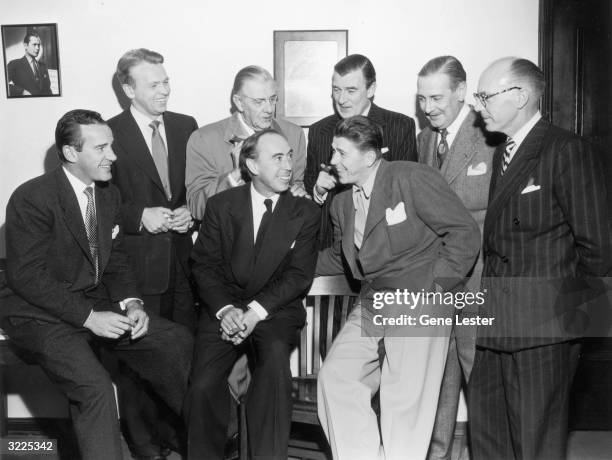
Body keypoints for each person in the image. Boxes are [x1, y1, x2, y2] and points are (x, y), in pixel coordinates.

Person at [0, 109, 192, 460]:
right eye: (101, 148)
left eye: (112, 147)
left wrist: (133, 303)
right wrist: (89, 317)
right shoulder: (32, 198)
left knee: (175, 341)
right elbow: (27, 277)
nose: (113, 157)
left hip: (93, 304)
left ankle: (210, 444)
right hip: (38, 312)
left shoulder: (107, 195)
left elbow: (115, 260)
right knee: (97, 389)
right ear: (72, 153)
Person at [468, 57, 612, 460]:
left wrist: (569, 320)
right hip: (495, 321)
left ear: (521, 96)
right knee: (489, 435)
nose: (478, 105)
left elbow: (599, 249)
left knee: (536, 443)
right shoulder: (503, 154)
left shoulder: (567, 150)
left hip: (545, 327)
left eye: (485, 95)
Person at [315, 115, 480, 460]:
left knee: (403, 399)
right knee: (337, 377)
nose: (333, 162)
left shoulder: (411, 177)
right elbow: (339, 258)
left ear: (370, 157)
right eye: (334, 152)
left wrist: (437, 289)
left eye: (342, 154)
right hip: (375, 300)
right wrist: (285, 267)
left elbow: (463, 232)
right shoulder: (342, 203)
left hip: (420, 297)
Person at [186, 129, 320, 460]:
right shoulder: (221, 205)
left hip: (275, 310)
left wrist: (255, 312)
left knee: (274, 366)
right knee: (202, 385)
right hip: (224, 308)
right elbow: (203, 266)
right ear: (252, 164)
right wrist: (226, 310)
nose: (288, 165)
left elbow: (298, 277)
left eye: (289, 156)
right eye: (277, 158)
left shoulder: (305, 212)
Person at [108, 48, 198, 459]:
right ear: (128, 89)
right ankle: (144, 448)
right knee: (138, 364)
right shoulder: (109, 134)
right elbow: (101, 205)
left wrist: (188, 214)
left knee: (182, 360)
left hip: (183, 263)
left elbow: (190, 190)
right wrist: (140, 215)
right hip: (138, 270)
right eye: (154, 84)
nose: (165, 90)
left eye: (166, 81)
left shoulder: (185, 126)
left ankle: (178, 441)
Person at [416, 55, 500, 460]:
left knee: (477, 375)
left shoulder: (490, 134)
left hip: (478, 278)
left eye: (436, 98)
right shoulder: (425, 139)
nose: (428, 108)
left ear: (462, 92)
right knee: (436, 377)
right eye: (422, 99)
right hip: (438, 277)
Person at [306, 54, 417, 248]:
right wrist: (319, 190)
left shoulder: (400, 126)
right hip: (332, 248)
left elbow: (407, 193)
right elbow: (309, 187)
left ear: (371, 89)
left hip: (384, 246)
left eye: (351, 90)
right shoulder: (318, 131)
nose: (341, 99)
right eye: (336, 90)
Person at [185, 65, 307, 221]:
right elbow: (197, 208)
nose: (269, 109)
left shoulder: (293, 134)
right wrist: (235, 177)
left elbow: (297, 187)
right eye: (259, 102)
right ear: (239, 102)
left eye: (272, 99)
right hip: (229, 241)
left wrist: (298, 194)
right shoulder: (205, 139)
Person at [7, 30, 52, 96]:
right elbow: (2, 85)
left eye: (38, 45)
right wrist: (21, 91)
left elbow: (48, 89)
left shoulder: (43, 66)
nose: (37, 48)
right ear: (25, 46)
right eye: (34, 45)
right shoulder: (14, 64)